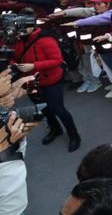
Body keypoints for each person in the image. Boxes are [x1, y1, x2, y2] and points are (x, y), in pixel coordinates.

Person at [11, 10, 80, 151]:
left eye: (23, 27)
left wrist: (34, 66)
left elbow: (57, 60)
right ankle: (55, 129)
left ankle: (74, 135)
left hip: (50, 79)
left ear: (32, 26)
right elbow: (11, 56)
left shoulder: (46, 39)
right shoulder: (15, 40)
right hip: (29, 81)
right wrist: (14, 64)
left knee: (58, 109)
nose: (21, 31)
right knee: (43, 109)